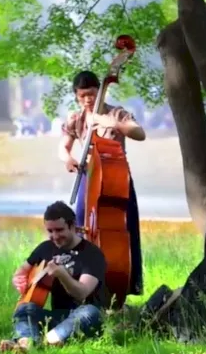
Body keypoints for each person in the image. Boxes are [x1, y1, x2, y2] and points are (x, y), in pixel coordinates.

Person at [59, 70, 145, 297]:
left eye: (92, 94)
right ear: (76, 96)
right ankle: (83, 285)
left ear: (100, 91)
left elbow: (139, 133)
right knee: (81, 228)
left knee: (125, 231)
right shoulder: (76, 119)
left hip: (116, 180)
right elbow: (63, 147)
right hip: (88, 177)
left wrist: (109, 122)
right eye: (82, 95)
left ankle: (124, 285)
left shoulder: (116, 113)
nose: (88, 99)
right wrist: (67, 159)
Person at [0, 201, 107, 352]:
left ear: (72, 226)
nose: (55, 236)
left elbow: (82, 293)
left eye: (59, 230)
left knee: (90, 312)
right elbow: (23, 269)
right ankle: (27, 342)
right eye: (50, 231)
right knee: (24, 309)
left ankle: (38, 343)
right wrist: (18, 278)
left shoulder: (92, 254)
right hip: (56, 316)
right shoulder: (45, 248)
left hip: (84, 316)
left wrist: (62, 274)